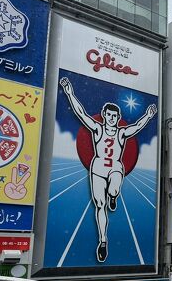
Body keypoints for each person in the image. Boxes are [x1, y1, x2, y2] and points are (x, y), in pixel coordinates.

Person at [59, 77, 157, 262]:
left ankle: (114, 195)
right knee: (99, 205)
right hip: (97, 168)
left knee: (113, 188)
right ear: (104, 115)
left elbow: (136, 127)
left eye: (115, 116)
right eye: (109, 115)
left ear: (118, 118)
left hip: (115, 167)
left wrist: (148, 116)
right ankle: (103, 241)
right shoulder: (97, 129)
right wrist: (69, 92)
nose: (111, 118)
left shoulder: (121, 132)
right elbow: (81, 114)